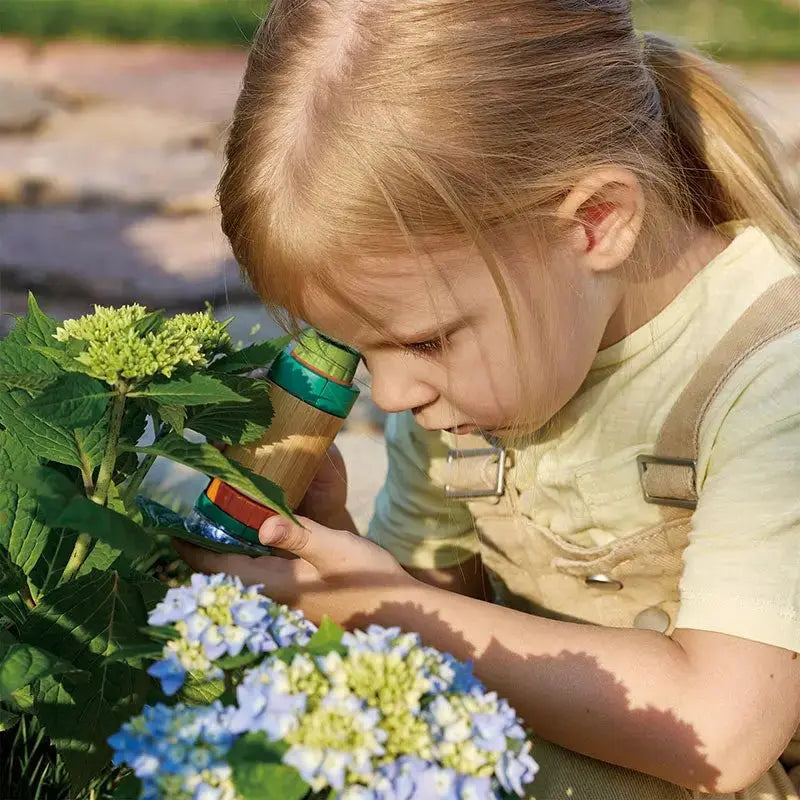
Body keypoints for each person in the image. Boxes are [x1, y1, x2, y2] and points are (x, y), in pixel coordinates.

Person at [176, 0, 800, 796]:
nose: (393, 394)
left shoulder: (772, 377)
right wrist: (338, 553)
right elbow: (446, 617)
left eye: (425, 341)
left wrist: (377, 604)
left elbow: (722, 730)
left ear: (596, 223)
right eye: (362, 350)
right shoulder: (483, 381)